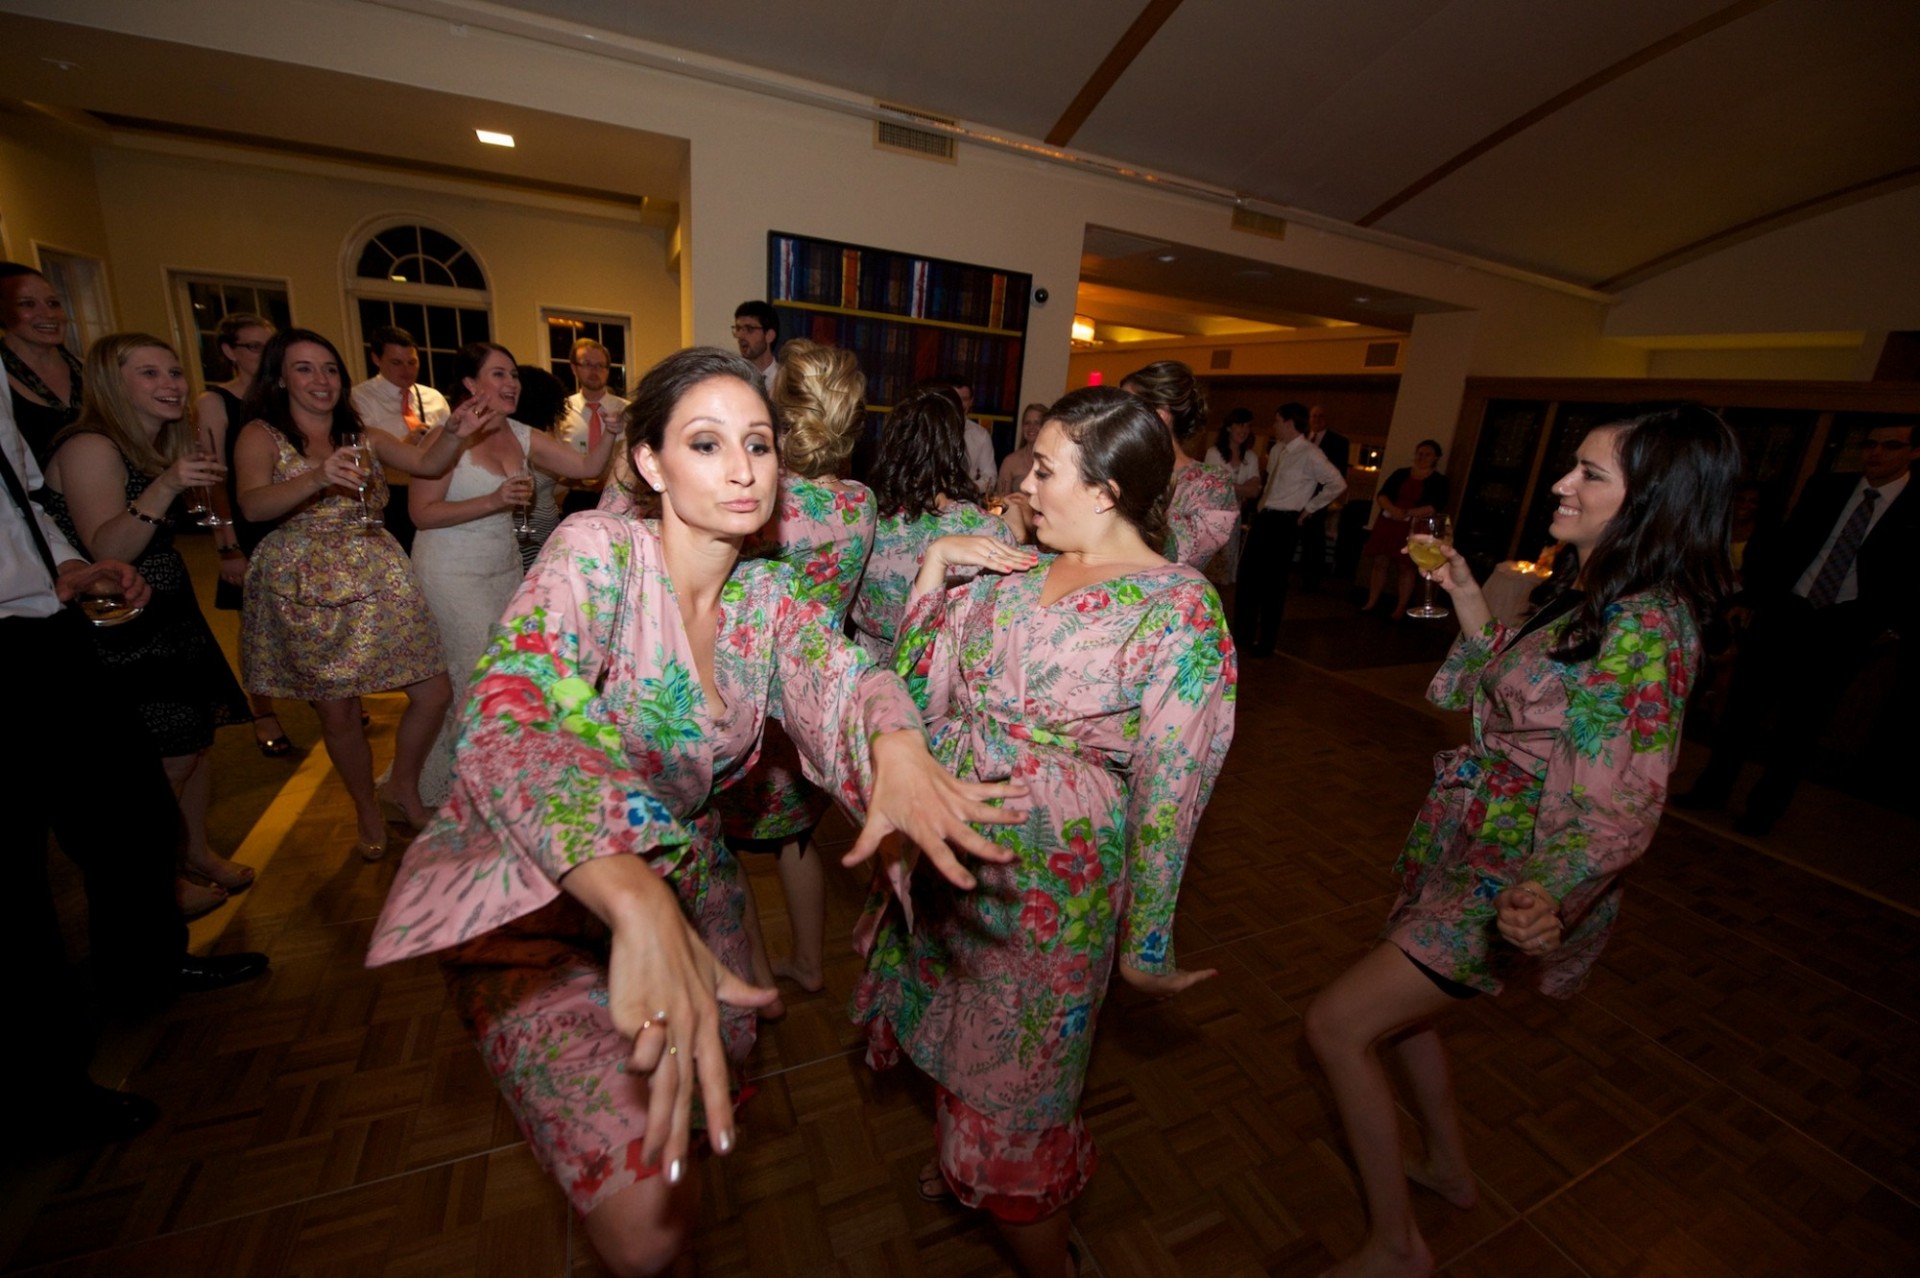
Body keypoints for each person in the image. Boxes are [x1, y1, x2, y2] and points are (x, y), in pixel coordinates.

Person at [365, 346, 1028, 1278]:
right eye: (707, 444)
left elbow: (847, 677)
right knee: (641, 1227)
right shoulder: (600, 554)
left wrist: (898, 744)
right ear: (649, 464)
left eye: (758, 444)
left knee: (714, 1087)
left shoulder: (767, 597)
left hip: (683, 866)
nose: (744, 469)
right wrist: (629, 899)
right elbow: (511, 710)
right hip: (536, 902)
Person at [1304, 404, 1738, 1278]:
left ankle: (1397, 1246)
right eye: (1570, 466)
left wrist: (1546, 893)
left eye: (1590, 474)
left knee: (1337, 1025)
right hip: (1470, 840)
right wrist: (1465, 589)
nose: (1560, 484)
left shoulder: (1648, 626)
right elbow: (1523, 687)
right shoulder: (1590, 591)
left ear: (1651, 502)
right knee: (1407, 1018)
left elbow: (1623, 806)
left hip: (1510, 871)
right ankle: (1449, 1169)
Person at [852, 386, 1237, 1278]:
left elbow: (1175, 789)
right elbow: (915, 695)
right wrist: (933, 570)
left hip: (1050, 885)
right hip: (957, 853)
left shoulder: (1178, 611)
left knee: (1016, 1096)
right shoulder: (1010, 568)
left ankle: (1035, 1237)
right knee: (954, 1033)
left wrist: (1145, 943)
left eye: (1045, 469)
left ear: (1106, 491)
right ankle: (965, 1148)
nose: (1023, 485)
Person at [5, 392, 269, 1151]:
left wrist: (73, 565)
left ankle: (147, 971)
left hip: (45, 625)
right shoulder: (94, 444)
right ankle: (41, 1089)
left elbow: (18, 495)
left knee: (131, 813)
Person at [235, 328, 491, 859]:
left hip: (377, 571)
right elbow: (254, 506)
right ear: (280, 377)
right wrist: (314, 477)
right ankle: (366, 808)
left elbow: (427, 463)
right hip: (306, 581)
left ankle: (401, 784)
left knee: (434, 692)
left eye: (329, 368)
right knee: (339, 713)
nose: (321, 380)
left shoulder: (364, 434)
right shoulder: (260, 435)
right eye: (305, 368)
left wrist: (456, 431)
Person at [40, 333, 254, 917]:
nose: (171, 385)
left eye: (175, 372)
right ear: (114, 383)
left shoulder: (145, 443)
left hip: (166, 605)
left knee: (196, 743)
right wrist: (167, 485)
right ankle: (159, 879)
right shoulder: (90, 445)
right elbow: (106, 550)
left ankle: (197, 852)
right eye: (150, 374)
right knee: (165, 756)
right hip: (121, 620)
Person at [720, 337, 876, 1011]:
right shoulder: (861, 503)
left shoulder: (756, 504)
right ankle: (811, 964)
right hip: (814, 707)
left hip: (742, 702)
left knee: (720, 848)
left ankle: (757, 985)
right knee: (798, 836)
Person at [1675, 421, 1916, 835]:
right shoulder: (1828, 487)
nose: (1875, 453)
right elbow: (1786, 546)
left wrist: (1892, 627)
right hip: (1788, 614)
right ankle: (1710, 790)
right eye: (1870, 444)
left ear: (1912, 453)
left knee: (1800, 727)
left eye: (1889, 445)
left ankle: (1763, 811)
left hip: (1843, 625)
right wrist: (1750, 599)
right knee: (1741, 714)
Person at [409, 341, 616, 809]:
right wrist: (494, 500)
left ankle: (475, 777)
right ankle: (473, 794)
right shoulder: (447, 434)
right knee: (479, 676)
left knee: (508, 672)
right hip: (450, 568)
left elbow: (586, 468)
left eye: (513, 376)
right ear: (469, 384)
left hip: (503, 565)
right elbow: (421, 512)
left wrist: (613, 433)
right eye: (499, 375)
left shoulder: (520, 433)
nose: (511, 384)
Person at [849, 384, 1019, 661]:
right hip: (946, 680)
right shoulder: (989, 530)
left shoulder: (862, 520)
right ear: (954, 449)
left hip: (866, 676)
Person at [197, 311, 295, 758]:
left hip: (290, 520)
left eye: (268, 345)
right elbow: (213, 480)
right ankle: (263, 711)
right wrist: (228, 546)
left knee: (299, 614)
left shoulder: (283, 397)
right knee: (254, 625)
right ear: (229, 352)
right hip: (245, 523)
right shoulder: (217, 401)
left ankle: (318, 690)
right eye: (252, 346)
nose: (263, 354)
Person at [1235, 402, 1347, 656]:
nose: (1273, 425)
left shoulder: (1310, 453)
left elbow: (1337, 483)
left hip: (1285, 521)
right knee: (1249, 578)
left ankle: (1266, 643)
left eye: (1276, 420)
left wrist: (1311, 507)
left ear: (1288, 422)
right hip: (1265, 517)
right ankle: (1242, 635)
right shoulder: (1277, 450)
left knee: (1273, 585)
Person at [1120, 360, 1238, 571]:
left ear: (1161, 415)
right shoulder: (1116, 468)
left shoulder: (1211, 484)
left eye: (1128, 409)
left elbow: (1185, 555)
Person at [349, 326, 450, 553]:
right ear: (376, 359)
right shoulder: (360, 398)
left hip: (431, 489)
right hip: (389, 494)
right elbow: (360, 456)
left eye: (412, 362)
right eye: (396, 363)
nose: (406, 370)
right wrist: (404, 443)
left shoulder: (433, 398)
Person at [1, 262, 85, 464]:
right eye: (27, 304)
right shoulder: (2, 377)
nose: (48, 314)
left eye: (53, 303)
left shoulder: (90, 370)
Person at [1359, 439, 1449, 617]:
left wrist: (1408, 513)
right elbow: (1383, 495)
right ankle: (1371, 600)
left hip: (1415, 525)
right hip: (1390, 521)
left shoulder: (1439, 481)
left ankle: (1400, 607)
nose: (1422, 457)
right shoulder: (1401, 474)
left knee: (1405, 566)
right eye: (1420, 453)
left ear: (1435, 458)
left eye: (1427, 454)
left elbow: (1435, 505)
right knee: (1380, 561)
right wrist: (1394, 510)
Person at [555, 337, 628, 514]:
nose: (595, 371)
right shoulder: (561, 411)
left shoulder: (628, 411)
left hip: (619, 498)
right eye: (587, 364)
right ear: (574, 368)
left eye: (601, 366)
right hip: (575, 498)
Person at [512, 363, 569, 569]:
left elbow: (545, 489)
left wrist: (571, 482)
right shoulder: (525, 441)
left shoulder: (541, 437)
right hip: (527, 538)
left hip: (546, 535)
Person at [1204, 407, 1264, 585]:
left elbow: (1254, 491)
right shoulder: (1214, 453)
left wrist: (1228, 485)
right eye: (1239, 425)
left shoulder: (1251, 457)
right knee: (1209, 570)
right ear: (1229, 427)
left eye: (1247, 426)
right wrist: (1241, 487)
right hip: (1212, 518)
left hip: (1234, 519)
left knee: (1225, 573)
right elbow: (1211, 488)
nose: (1244, 430)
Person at [1300, 404, 1351, 591]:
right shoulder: (1303, 439)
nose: (1317, 420)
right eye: (1314, 416)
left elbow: (1339, 474)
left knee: (1314, 537)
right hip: (1298, 495)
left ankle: (1312, 579)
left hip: (1319, 497)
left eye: (1320, 416)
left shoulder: (1338, 442)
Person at [948, 376, 999, 495]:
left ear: (971, 402)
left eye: (964, 399)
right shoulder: (933, 429)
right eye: (955, 399)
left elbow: (990, 476)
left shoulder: (981, 435)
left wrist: (973, 487)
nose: (959, 404)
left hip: (966, 502)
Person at [997, 402, 1047, 494]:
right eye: (1027, 423)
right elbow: (1001, 502)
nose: (1031, 427)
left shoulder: (1054, 462)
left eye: (1037, 423)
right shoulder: (1010, 462)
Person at [732, 301, 778, 390]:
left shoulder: (787, 381)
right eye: (738, 329)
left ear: (769, 336)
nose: (740, 335)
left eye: (749, 329)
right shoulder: (734, 380)